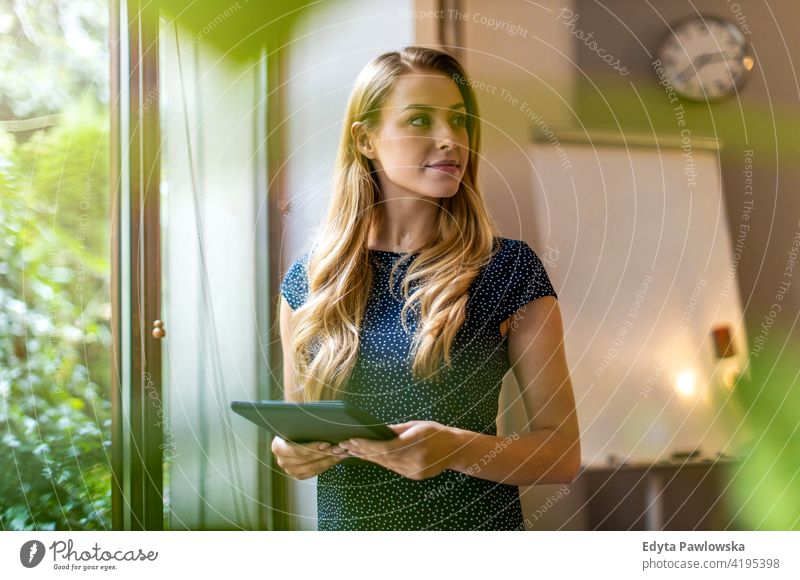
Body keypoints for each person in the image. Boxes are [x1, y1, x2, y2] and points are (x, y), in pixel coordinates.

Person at [274, 45, 580, 530]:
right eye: (419, 121)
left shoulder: (509, 270)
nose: (450, 140)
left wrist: (457, 449)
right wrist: (290, 451)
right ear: (366, 140)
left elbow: (562, 455)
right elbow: (297, 423)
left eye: (458, 121)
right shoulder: (309, 281)